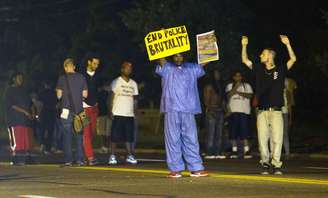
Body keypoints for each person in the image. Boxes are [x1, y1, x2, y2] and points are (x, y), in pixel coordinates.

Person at [241, 35, 297, 175]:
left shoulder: (280, 70)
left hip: (277, 111)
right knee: (262, 140)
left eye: (263, 54)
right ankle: (265, 163)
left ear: (270, 56)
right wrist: (244, 45)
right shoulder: (259, 69)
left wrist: (288, 44)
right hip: (261, 111)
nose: (260, 55)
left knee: (277, 139)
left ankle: (276, 164)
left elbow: (293, 59)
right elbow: (245, 60)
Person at [156, 53, 210, 178]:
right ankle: (175, 169)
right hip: (171, 108)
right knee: (172, 139)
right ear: (172, 57)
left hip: (188, 109)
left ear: (184, 57)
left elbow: (204, 62)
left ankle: (196, 168)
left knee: (191, 139)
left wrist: (209, 47)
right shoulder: (167, 68)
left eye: (180, 56)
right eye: (175, 56)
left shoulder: (191, 68)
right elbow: (160, 58)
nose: (178, 58)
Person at [56, 58, 88, 166]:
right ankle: (79, 159)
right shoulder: (82, 77)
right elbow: (85, 95)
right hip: (79, 110)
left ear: (65, 67)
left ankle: (68, 160)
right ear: (74, 67)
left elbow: (59, 95)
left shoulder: (61, 78)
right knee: (79, 136)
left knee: (67, 136)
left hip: (65, 110)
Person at [108, 61, 138, 165]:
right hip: (117, 113)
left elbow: (134, 99)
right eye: (127, 68)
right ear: (122, 69)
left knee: (129, 137)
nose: (129, 70)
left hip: (129, 114)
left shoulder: (134, 83)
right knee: (114, 136)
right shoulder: (116, 82)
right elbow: (111, 97)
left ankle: (129, 155)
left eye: (130, 68)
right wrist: (110, 111)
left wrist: (135, 111)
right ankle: (112, 156)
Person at [4, 72, 34, 165]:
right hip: (14, 120)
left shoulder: (24, 90)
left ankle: (28, 157)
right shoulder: (9, 90)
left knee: (26, 139)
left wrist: (32, 112)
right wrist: (25, 112)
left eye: (22, 78)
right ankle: (15, 157)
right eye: (19, 78)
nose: (21, 80)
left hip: (25, 120)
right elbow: (11, 105)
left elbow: (30, 103)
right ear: (14, 79)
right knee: (15, 140)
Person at [226, 71, 253, 159]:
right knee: (233, 132)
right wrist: (236, 87)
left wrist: (239, 93)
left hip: (244, 112)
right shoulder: (230, 85)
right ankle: (234, 150)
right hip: (233, 112)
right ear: (233, 77)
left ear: (242, 77)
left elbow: (250, 96)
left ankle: (247, 150)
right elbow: (228, 95)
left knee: (244, 132)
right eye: (236, 76)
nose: (238, 77)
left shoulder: (247, 85)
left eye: (239, 76)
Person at [203, 69, 226, 159]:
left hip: (220, 111)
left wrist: (226, 110)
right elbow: (206, 101)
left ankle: (217, 152)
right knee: (211, 133)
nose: (217, 75)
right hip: (211, 111)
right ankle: (209, 152)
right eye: (215, 74)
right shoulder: (209, 86)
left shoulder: (220, 86)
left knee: (219, 134)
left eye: (218, 73)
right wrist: (210, 110)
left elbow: (222, 100)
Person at [82, 55, 100, 165]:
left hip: (94, 108)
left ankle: (85, 156)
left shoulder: (98, 76)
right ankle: (90, 157)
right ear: (89, 62)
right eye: (94, 63)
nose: (96, 66)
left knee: (92, 132)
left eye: (97, 64)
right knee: (86, 133)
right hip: (83, 108)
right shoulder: (81, 76)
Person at [38, 81, 57, 155]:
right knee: (50, 131)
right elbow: (57, 104)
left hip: (43, 113)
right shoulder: (54, 93)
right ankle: (47, 148)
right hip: (52, 113)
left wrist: (38, 114)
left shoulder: (42, 93)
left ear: (45, 84)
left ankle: (42, 144)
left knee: (42, 129)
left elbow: (40, 104)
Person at [281, 77, 297, 158]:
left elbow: (289, 106)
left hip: (285, 113)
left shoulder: (287, 92)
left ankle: (287, 153)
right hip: (276, 113)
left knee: (285, 134)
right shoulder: (275, 91)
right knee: (274, 133)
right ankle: (275, 152)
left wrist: (290, 118)